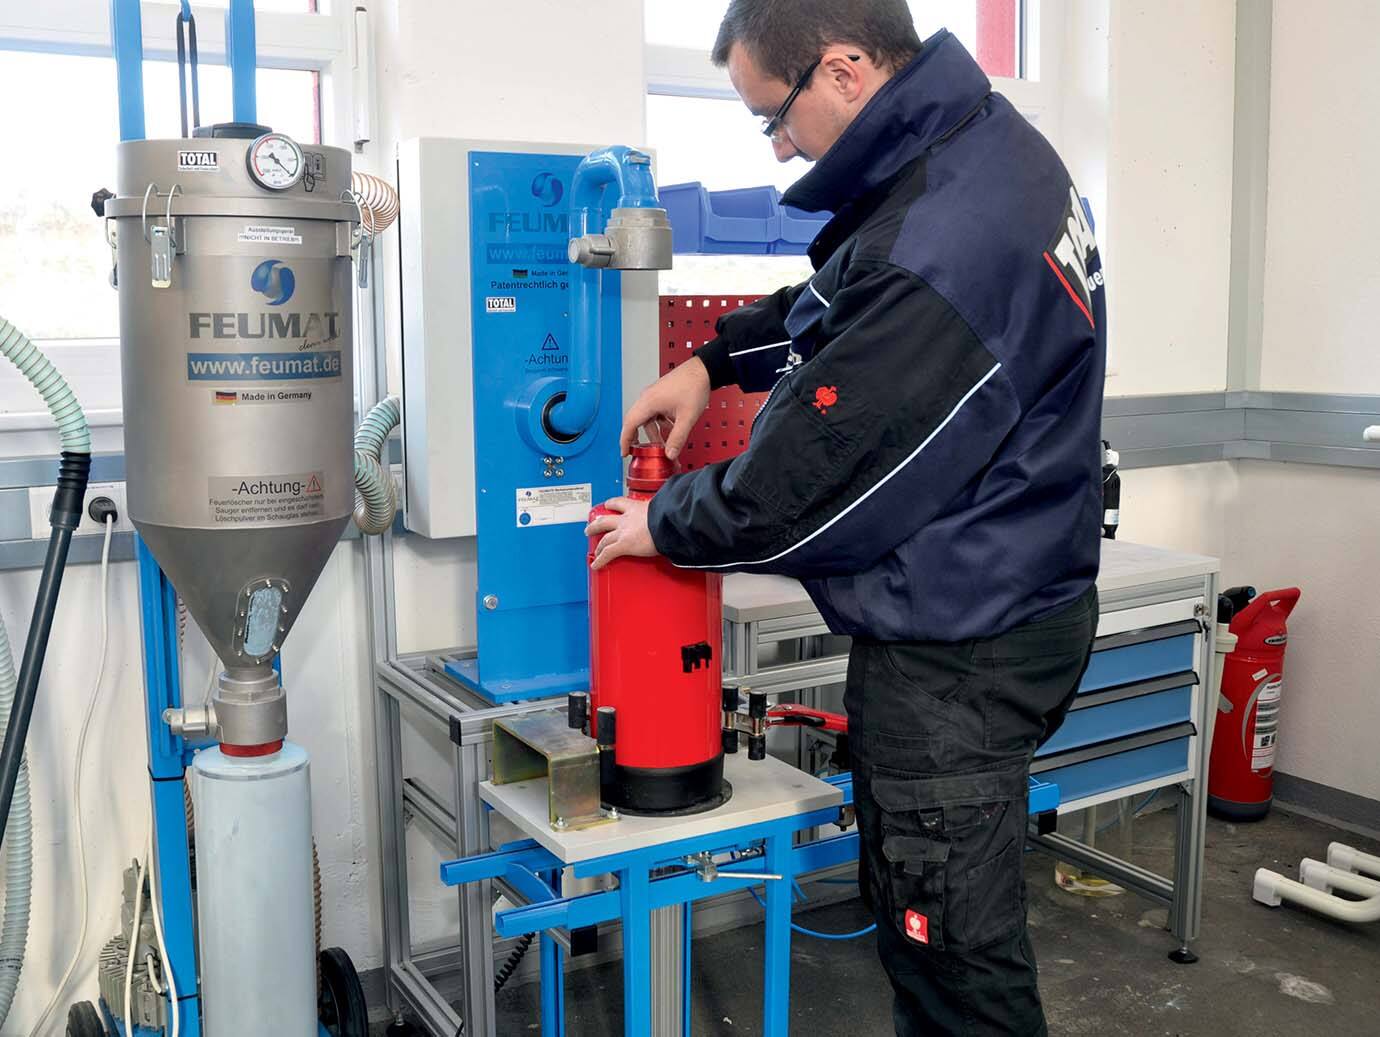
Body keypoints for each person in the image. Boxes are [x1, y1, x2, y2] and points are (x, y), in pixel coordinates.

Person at [585, 2, 1105, 1033]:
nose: (777, 145)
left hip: (961, 650)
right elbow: (846, 300)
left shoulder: (950, 243)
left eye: (771, 117)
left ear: (847, 70)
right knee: (943, 925)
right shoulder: (983, 148)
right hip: (1004, 599)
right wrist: (715, 357)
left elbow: (817, 479)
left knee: (953, 955)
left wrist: (668, 522)